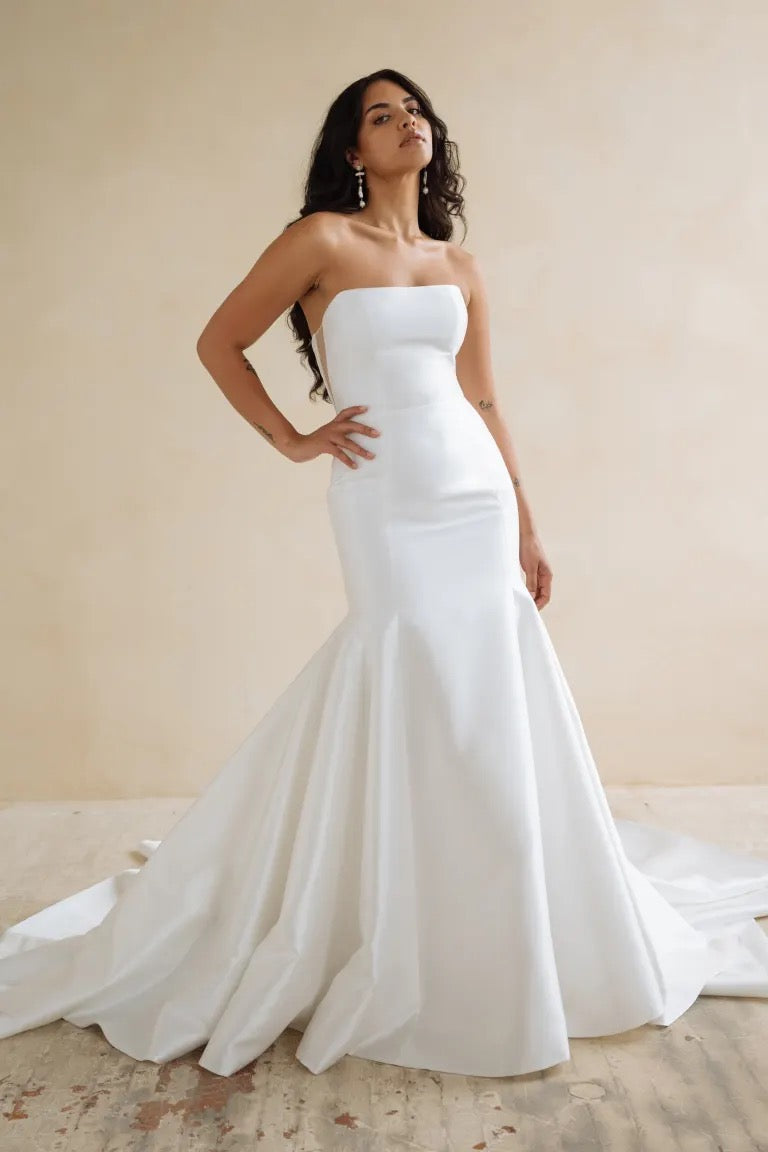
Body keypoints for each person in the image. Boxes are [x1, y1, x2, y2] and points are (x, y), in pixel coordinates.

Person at [1, 68, 767, 1080]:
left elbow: (484, 401)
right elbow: (218, 341)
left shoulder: (461, 264)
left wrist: (528, 527)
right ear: (353, 150)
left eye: (415, 111)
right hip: (387, 497)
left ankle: (489, 910)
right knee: (405, 667)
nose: (407, 123)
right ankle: (389, 910)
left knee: (488, 692)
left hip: (473, 495)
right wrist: (289, 437)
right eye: (381, 114)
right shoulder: (320, 240)